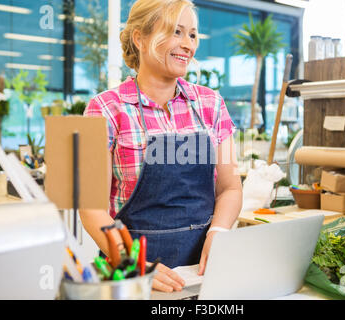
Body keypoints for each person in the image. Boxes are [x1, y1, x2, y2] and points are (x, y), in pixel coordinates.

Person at [81, 0, 242, 293]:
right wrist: (132, 263)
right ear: (139, 38)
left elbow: (231, 188)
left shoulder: (212, 104)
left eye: (192, 35)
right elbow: (91, 208)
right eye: (175, 32)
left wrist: (218, 232)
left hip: (200, 275)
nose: (187, 45)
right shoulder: (103, 109)